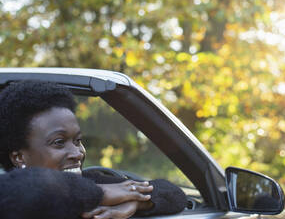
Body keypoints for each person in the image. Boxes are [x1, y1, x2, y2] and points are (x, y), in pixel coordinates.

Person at [0, 80, 187, 219]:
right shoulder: (12, 200)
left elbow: (173, 193)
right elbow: (31, 191)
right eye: (58, 142)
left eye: (78, 140)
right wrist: (101, 194)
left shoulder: (91, 180)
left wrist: (136, 202)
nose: (77, 153)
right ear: (19, 157)